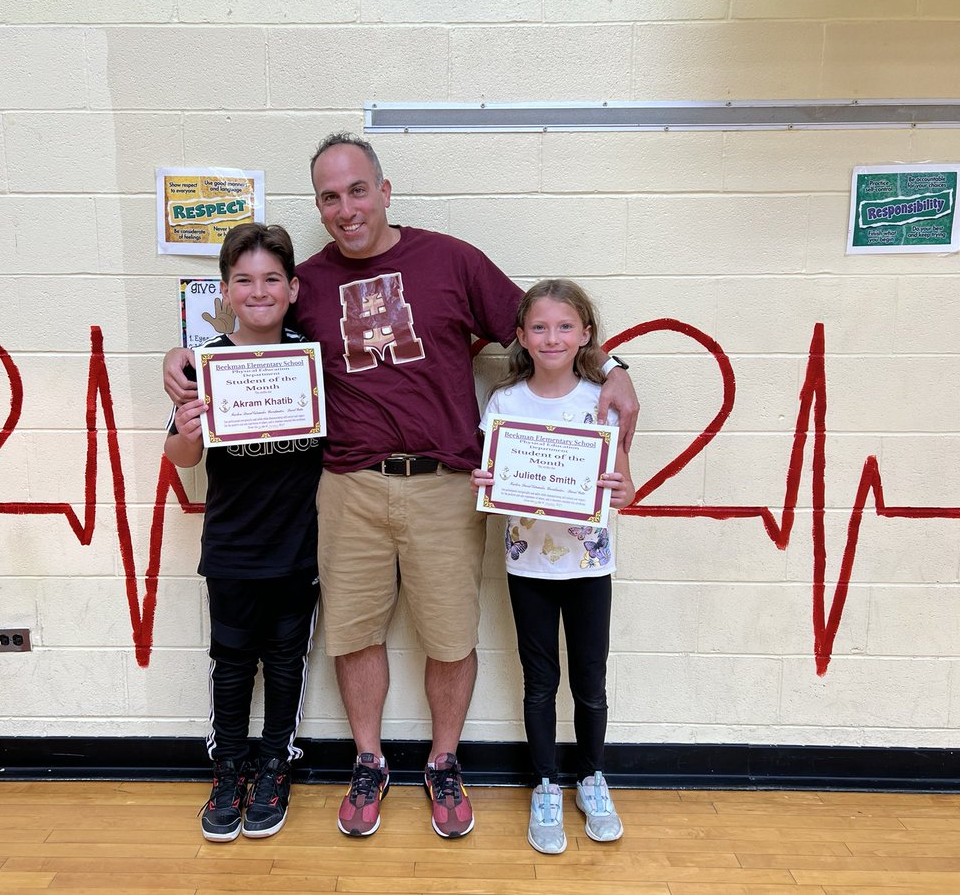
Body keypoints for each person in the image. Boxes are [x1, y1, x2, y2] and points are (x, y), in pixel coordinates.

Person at [163, 132, 640, 839]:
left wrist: (617, 363)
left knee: (449, 636)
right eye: (330, 196)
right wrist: (183, 354)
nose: (346, 208)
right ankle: (368, 761)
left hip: (444, 482)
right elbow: (251, 332)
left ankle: (443, 761)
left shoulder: (452, 261)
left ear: (384, 191)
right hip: (347, 485)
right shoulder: (309, 284)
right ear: (319, 207)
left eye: (358, 190)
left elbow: (545, 327)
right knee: (355, 633)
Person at [164, 223, 322, 842]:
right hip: (231, 549)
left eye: (271, 279)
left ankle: (274, 765)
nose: (258, 291)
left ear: (292, 288)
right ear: (225, 292)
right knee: (230, 665)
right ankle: (228, 769)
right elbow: (180, 458)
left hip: (298, 547)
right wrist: (186, 424)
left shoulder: (313, 358)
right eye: (244, 281)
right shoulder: (204, 366)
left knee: (286, 663)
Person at [471, 279, 634, 855]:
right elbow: (488, 485)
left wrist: (617, 485)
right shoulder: (504, 404)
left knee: (590, 683)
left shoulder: (601, 399)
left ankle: (592, 776)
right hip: (528, 567)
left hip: (590, 566)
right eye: (539, 327)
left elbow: (627, 492)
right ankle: (545, 784)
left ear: (586, 334)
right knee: (539, 683)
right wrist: (487, 483)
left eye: (565, 326)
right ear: (519, 336)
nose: (552, 337)